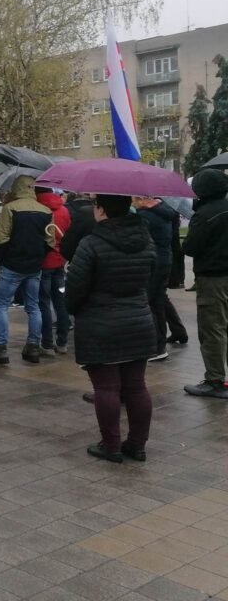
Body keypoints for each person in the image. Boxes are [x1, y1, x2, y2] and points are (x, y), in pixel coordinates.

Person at [66, 194, 156, 462]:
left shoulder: (91, 244)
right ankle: (137, 444)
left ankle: (111, 445)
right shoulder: (146, 240)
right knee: (136, 386)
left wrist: (74, 307)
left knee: (106, 388)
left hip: (100, 324)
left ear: (101, 210)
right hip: (138, 320)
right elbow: (152, 278)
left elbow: (74, 291)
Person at [0, 175, 54, 365]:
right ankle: (33, 345)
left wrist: (1, 261)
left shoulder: (10, 209)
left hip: (12, 265)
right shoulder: (46, 211)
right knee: (33, 306)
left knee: (0, 305)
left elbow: (2, 239)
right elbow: (50, 241)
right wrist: (38, 257)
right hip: (34, 266)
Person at [182, 169, 228, 399]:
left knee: (212, 328)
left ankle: (215, 380)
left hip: (213, 278)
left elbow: (190, 247)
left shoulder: (205, 215)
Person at [134, 196, 185, 360]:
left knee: (151, 303)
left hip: (152, 262)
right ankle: (170, 337)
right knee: (158, 300)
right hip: (165, 259)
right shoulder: (165, 211)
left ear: (143, 199)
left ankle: (156, 346)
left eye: (135, 199)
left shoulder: (144, 216)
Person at [36, 188, 71, 356]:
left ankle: (47, 344)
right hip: (60, 261)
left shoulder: (38, 209)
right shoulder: (64, 209)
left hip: (43, 262)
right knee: (61, 302)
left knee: (43, 303)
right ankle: (62, 342)